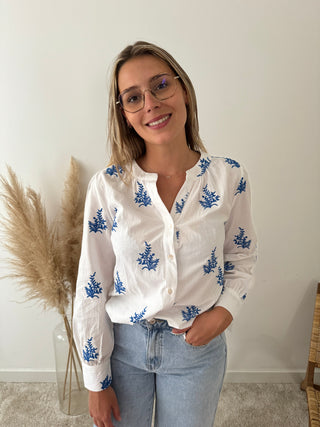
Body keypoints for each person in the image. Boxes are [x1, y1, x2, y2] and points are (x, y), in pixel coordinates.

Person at [73, 41, 257, 427]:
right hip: (123, 348)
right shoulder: (109, 187)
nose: (151, 104)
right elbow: (92, 285)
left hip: (196, 351)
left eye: (160, 85)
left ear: (184, 90)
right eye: (133, 98)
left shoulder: (229, 178)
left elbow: (241, 258)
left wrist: (224, 312)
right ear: (124, 114)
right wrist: (95, 378)